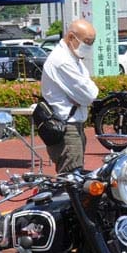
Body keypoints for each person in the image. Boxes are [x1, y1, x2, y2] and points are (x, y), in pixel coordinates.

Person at [40, 19, 99, 173]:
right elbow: (89, 95)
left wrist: (81, 97)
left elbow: (87, 89)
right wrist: (83, 98)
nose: (89, 46)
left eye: (92, 42)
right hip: (67, 127)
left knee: (76, 175)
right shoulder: (62, 61)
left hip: (74, 125)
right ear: (72, 37)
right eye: (87, 41)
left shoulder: (72, 58)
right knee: (71, 177)